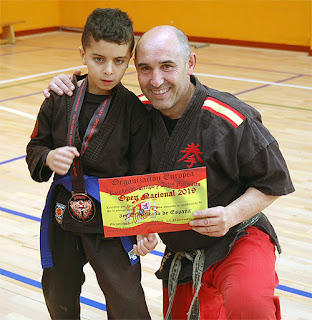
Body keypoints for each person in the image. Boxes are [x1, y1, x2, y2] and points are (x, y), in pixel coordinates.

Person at [44, 25, 295, 320]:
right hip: (183, 253)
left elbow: (273, 182)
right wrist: (68, 84)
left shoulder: (230, 118)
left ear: (190, 64)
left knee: (249, 305)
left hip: (238, 237)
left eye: (167, 67)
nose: (156, 80)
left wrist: (230, 215)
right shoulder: (135, 113)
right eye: (145, 69)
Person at [26, 8, 158, 320]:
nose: (109, 70)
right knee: (58, 290)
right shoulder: (60, 97)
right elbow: (35, 146)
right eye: (99, 59)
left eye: (119, 61)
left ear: (130, 59)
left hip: (114, 214)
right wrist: (47, 157)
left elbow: (142, 174)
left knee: (126, 299)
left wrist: (144, 224)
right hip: (65, 210)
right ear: (82, 53)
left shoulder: (135, 113)